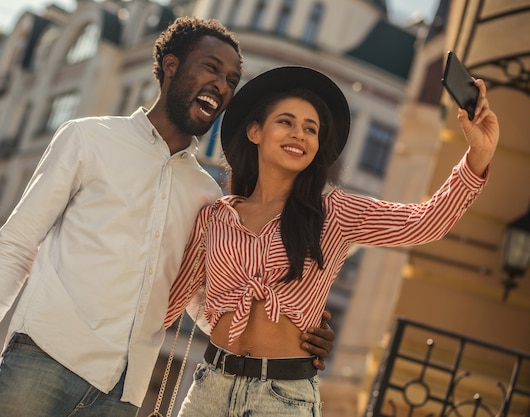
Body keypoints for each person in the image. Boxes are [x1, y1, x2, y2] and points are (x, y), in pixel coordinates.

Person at [0, 18, 335, 417]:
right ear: (171, 66)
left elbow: (204, 304)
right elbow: (16, 244)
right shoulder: (88, 139)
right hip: (42, 361)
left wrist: (292, 330)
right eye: (211, 68)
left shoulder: (207, 195)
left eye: (232, 78)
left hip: (122, 394)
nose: (222, 85)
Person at [165, 65, 499, 416]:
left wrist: (477, 157)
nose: (300, 134)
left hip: (282, 399)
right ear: (254, 131)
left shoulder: (334, 213)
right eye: (286, 122)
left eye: (311, 129)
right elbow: (171, 301)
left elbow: (425, 222)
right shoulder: (216, 216)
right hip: (208, 389)